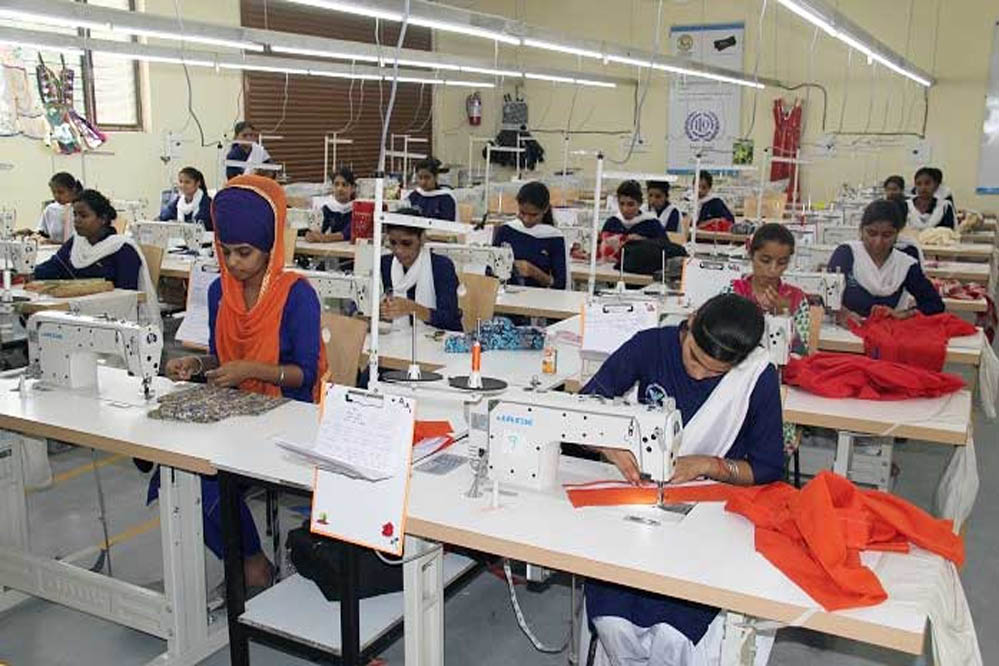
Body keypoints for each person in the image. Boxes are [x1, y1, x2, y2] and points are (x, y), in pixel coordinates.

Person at [582, 293, 784, 665]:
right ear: (690, 323)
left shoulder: (756, 376)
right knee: (613, 620)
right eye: (694, 358)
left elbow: (768, 467)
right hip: (643, 501)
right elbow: (585, 405)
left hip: (714, 515)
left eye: (715, 372)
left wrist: (708, 465)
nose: (699, 374)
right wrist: (608, 445)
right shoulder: (651, 346)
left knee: (672, 633)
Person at [162, 175, 328, 588]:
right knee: (176, 473)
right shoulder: (221, 292)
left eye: (244, 252)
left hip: (292, 415)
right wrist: (196, 364)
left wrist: (249, 370)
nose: (234, 262)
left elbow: (304, 373)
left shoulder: (297, 295)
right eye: (225, 251)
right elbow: (223, 358)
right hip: (238, 410)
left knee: (204, 477)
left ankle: (248, 561)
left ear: (269, 248)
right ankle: (249, 557)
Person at [33, 189, 160, 325]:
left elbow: (126, 297)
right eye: (75, 215)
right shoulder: (76, 243)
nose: (77, 220)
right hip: (76, 313)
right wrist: (25, 274)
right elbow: (51, 268)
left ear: (103, 219)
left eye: (83, 216)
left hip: (111, 318)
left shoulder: (122, 249)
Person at [827, 199, 944, 322]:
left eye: (887, 235)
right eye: (871, 233)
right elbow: (824, 297)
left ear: (897, 234)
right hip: (843, 331)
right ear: (861, 230)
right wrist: (842, 313)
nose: (878, 242)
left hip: (888, 330)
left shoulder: (904, 265)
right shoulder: (846, 254)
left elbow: (935, 304)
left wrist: (904, 314)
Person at [727, 223, 810, 355]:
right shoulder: (732, 293)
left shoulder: (797, 299)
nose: (773, 269)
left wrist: (784, 316)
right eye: (765, 261)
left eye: (782, 263)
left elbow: (801, 353)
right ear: (751, 255)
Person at [380, 207, 462, 331]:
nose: (398, 250)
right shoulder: (385, 264)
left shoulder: (441, 267)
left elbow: (450, 319)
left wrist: (413, 309)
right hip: (400, 338)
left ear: (422, 238)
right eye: (393, 243)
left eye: (406, 243)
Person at [492, 181, 569, 290]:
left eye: (533, 215)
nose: (526, 219)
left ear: (545, 209)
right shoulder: (506, 231)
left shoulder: (554, 238)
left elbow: (560, 284)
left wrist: (535, 273)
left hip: (540, 297)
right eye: (522, 213)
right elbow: (490, 272)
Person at [27, 172, 82, 244]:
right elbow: (43, 233)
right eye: (53, 192)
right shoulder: (51, 209)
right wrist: (30, 233)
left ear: (73, 190)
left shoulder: (81, 209)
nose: (56, 196)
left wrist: (56, 243)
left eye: (61, 192)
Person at [305, 167, 355, 243]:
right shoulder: (328, 208)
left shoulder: (357, 209)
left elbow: (347, 233)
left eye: (344, 185)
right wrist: (312, 235)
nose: (339, 189)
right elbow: (321, 229)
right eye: (336, 184)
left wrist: (325, 238)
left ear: (352, 188)